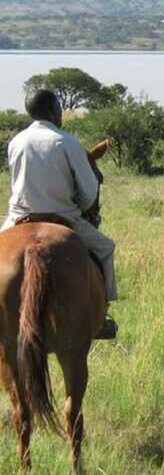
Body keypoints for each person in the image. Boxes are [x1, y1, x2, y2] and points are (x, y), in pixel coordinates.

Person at [1, 89, 118, 339]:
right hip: (64, 218)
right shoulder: (67, 142)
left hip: (19, 217)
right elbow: (89, 191)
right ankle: (103, 316)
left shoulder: (16, 142)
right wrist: (80, 205)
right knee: (106, 247)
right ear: (55, 110)